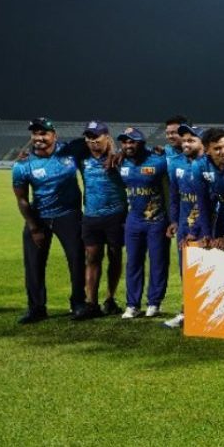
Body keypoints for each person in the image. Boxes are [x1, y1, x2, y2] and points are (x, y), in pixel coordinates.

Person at [11, 118, 87, 323]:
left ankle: (78, 303)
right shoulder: (23, 164)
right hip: (39, 217)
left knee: (77, 260)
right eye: (35, 134)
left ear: (54, 135)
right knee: (34, 264)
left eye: (44, 133)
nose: (39, 138)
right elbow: (22, 199)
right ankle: (36, 308)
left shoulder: (70, 151)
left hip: (69, 215)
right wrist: (34, 227)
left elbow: (99, 139)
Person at [72, 121, 128, 320]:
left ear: (107, 137)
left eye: (96, 136)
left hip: (116, 215)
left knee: (115, 256)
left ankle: (110, 299)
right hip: (91, 215)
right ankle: (91, 303)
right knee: (92, 258)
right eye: (89, 137)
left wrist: (118, 151)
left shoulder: (120, 158)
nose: (92, 140)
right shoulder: (82, 157)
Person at [116, 128, 171, 319]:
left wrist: (170, 220)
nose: (128, 145)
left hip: (157, 221)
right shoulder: (120, 163)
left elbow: (169, 191)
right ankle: (132, 305)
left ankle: (154, 303)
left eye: (132, 142)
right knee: (133, 264)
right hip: (134, 221)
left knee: (158, 263)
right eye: (125, 142)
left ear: (142, 143)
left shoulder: (158, 161)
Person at [163, 124, 210, 329]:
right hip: (184, 224)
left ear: (203, 144)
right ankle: (187, 311)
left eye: (191, 140)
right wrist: (174, 221)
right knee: (186, 270)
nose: (186, 143)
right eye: (184, 140)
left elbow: (211, 202)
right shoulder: (176, 164)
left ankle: (208, 312)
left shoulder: (211, 165)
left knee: (208, 269)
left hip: (206, 226)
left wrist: (198, 229)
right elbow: (174, 195)